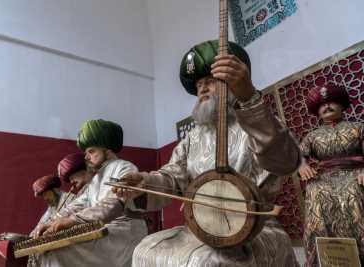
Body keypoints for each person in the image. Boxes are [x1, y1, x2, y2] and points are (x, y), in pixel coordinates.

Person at [114, 40, 301, 267]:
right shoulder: (192, 138)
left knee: (205, 262)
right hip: (200, 229)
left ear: (233, 83)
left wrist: (249, 98)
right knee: (144, 249)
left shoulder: (258, 122)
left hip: (253, 230)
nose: (201, 88)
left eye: (210, 81)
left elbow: (286, 162)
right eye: (199, 84)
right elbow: (172, 178)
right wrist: (143, 183)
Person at [35, 119, 147, 267]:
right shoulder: (96, 180)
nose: (86, 157)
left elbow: (112, 204)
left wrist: (72, 221)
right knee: (47, 249)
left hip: (124, 233)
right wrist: (50, 223)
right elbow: (75, 206)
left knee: (57, 251)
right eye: (86, 152)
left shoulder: (124, 168)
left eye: (91, 151)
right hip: (105, 231)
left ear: (107, 150)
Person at [298, 83, 364, 266]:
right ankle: (326, 258)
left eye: (331, 102)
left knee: (355, 191)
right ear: (317, 111)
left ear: (342, 105)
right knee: (314, 189)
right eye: (322, 104)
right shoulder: (312, 136)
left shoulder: (358, 127)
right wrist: (302, 166)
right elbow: (299, 156)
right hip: (324, 176)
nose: (326, 106)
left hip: (355, 173)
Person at [28, 175, 71, 267]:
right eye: (43, 196)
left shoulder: (70, 199)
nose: (45, 198)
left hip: (71, 243)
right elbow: (41, 224)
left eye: (46, 194)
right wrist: (31, 236)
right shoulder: (52, 207)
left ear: (54, 190)